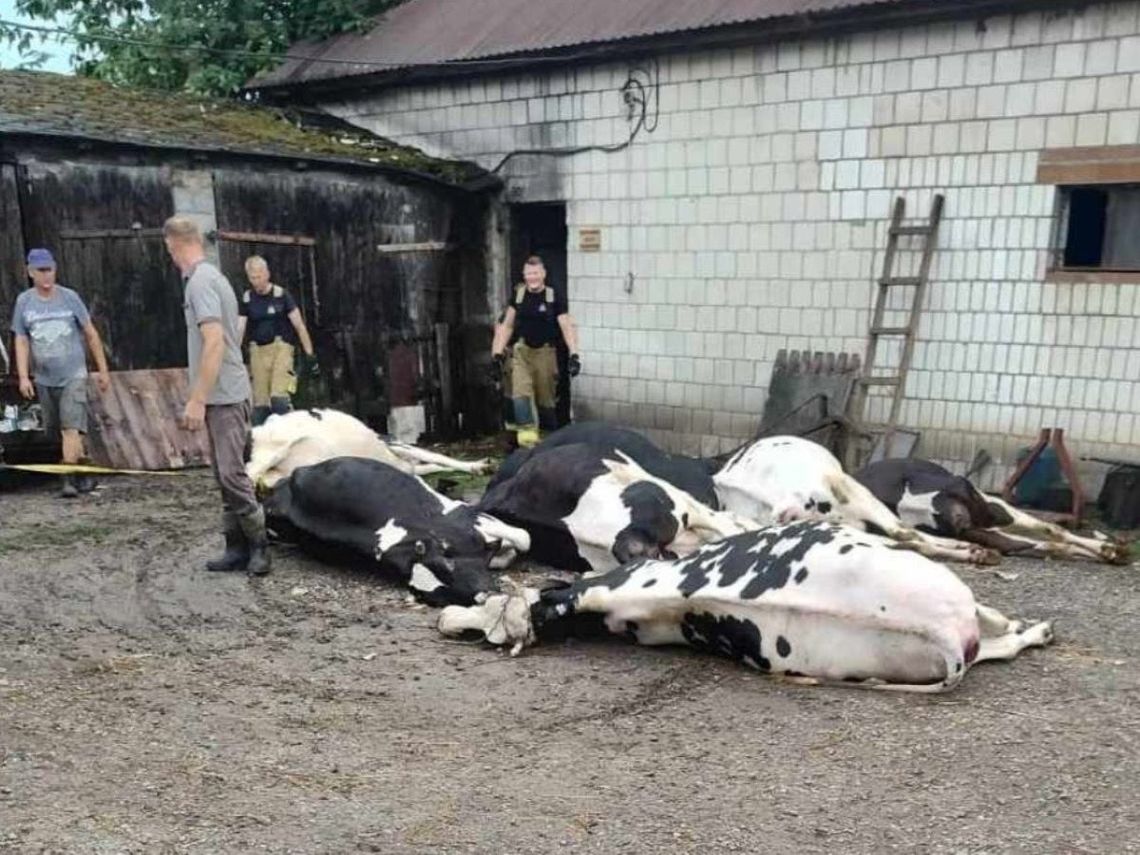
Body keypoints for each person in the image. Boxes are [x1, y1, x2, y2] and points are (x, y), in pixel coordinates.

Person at [162, 217, 270, 576]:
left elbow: (212, 342)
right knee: (223, 473)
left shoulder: (200, 284)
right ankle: (235, 547)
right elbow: (231, 332)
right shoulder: (214, 277)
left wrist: (198, 398)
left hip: (224, 396)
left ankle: (259, 546)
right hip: (225, 391)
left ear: (172, 244)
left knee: (231, 474)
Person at [10, 248, 111, 498]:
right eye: (41, 271)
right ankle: (84, 467)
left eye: (50, 270)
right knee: (58, 430)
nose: (47, 276)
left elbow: (90, 333)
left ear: (55, 270)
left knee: (69, 427)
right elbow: (21, 340)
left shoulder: (69, 298)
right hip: (44, 377)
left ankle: (67, 478)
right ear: (30, 272)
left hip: (73, 373)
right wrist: (24, 376)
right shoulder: (24, 302)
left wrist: (102, 369)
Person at [490, 255, 581, 448]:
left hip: (545, 354)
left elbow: (566, 325)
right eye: (529, 274)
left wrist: (574, 354)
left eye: (536, 273)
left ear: (543, 274)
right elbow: (507, 326)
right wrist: (497, 355)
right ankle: (526, 446)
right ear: (524, 275)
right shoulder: (519, 296)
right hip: (522, 352)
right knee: (521, 395)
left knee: (545, 400)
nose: (532, 277)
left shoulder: (553, 296)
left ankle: (547, 444)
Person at [237, 255, 318, 426]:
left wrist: (310, 354)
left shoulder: (281, 295)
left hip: (281, 349)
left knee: (279, 400)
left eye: (258, 277)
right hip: (258, 351)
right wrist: (233, 354)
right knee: (261, 407)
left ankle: (290, 432)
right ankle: (263, 444)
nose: (256, 282)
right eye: (252, 278)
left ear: (267, 274)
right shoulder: (247, 298)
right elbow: (240, 328)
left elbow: (299, 325)